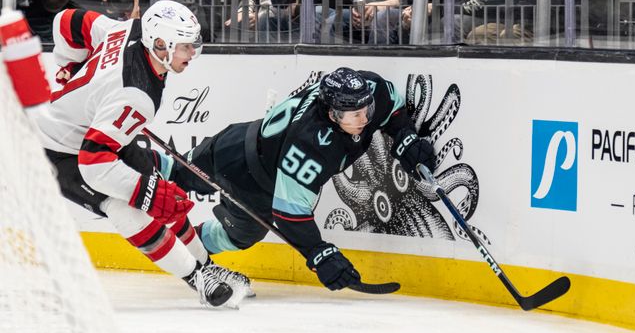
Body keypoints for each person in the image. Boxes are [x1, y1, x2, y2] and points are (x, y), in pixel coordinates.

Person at [37, 0, 247, 308]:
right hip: (57, 149)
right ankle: (196, 278)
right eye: (186, 47)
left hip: (99, 134)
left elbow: (67, 20)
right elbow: (93, 163)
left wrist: (68, 65)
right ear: (161, 44)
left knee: (165, 199)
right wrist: (143, 194)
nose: (193, 54)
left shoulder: (129, 29)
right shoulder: (136, 94)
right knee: (126, 209)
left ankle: (207, 265)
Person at [167, 68, 436, 291]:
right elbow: (289, 214)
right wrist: (319, 253)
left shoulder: (368, 90)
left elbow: (394, 109)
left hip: (258, 171)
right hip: (236, 156)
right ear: (333, 114)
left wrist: (405, 135)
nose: (365, 119)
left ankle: (177, 246)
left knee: (237, 236)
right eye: (356, 115)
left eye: (368, 109)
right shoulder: (310, 143)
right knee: (169, 172)